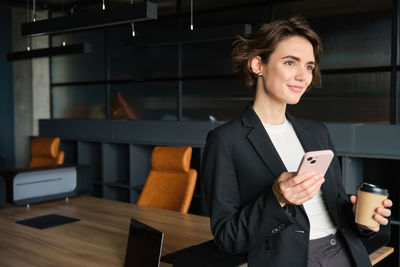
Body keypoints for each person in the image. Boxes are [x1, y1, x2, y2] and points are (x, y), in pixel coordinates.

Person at [201, 16, 392, 267]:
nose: (303, 76)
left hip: (346, 254)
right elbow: (227, 238)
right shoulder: (225, 141)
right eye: (290, 62)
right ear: (258, 65)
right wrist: (277, 198)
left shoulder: (317, 132)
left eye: (309, 67)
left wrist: (361, 219)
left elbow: (336, 206)